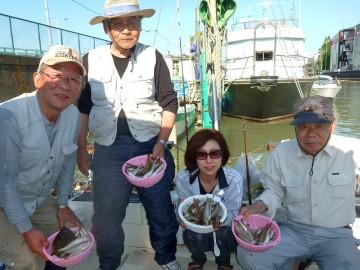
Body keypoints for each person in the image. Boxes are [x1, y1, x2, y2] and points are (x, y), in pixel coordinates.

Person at [76, 0, 179, 269]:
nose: (126, 30)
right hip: (108, 151)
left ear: (140, 27)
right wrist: (80, 148)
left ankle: (166, 259)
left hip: (149, 147)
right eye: (118, 24)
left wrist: (161, 142)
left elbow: (169, 102)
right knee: (106, 217)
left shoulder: (153, 56)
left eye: (132, 23)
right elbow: (83, 108)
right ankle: (108, 265)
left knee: (160, 210)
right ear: (107, 29)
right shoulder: (91, 59)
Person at [236, 95, 360, 270]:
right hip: (293, 230)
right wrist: (256, 206)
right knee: (247, 256)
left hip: (336, 235)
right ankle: (294, 261)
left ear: (332, 126)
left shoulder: (352, 151)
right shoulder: (281, 154)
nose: (311, 134)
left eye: (319, 126)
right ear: (295, 128)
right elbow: (274, 192)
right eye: (303, 127)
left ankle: (297, 261)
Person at [0, 44, 86, 270]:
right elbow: (6, 182)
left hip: (36, 200)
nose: (65, 85)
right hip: (1, 202)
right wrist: (26, 229)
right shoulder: (9, 117)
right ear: (38, 79)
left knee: (69, 243)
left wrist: (63, 204)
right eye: (56, 76)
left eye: (73, 79)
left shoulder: (73, 115)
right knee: (27, 261)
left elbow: (68, 163)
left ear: (79, 88)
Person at [175, 129, 243, 270]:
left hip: (222, 229)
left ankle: (224, 262)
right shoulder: (183, 178)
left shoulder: (234, 179)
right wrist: (181, 216)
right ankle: (198, 259)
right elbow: (183, 208)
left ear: (222, 154)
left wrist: (219, 221)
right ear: (194, 157)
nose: (209, 161)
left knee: (224, 233)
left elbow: (232, 214)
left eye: (214, 153)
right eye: (201, 154)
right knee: (190, 232)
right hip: (197, 227)